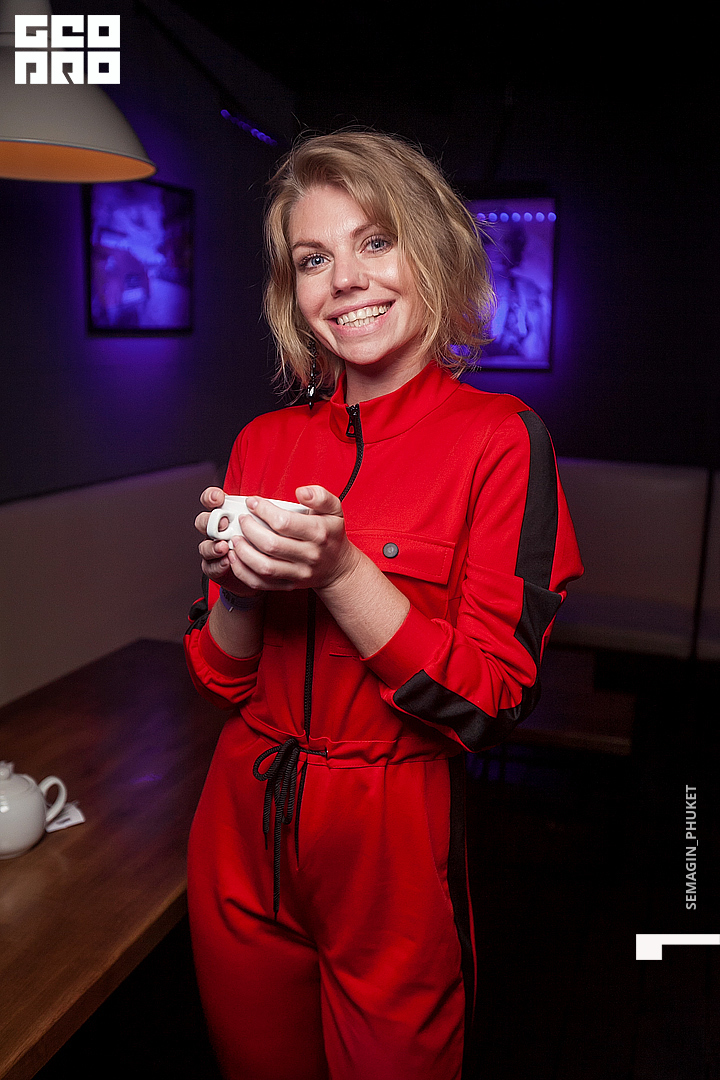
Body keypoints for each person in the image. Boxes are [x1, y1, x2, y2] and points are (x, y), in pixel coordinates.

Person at [184, 131, 583, 1080]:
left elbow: (490, 702)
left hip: (392, 838)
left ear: (431, 251)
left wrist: (339, 572)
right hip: (240, 823)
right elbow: (221, 678)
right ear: (291, 291)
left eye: (375, 241)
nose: (346, 281)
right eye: (312, 259)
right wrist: (237, 586)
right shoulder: (261, 440)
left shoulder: (502, 439)